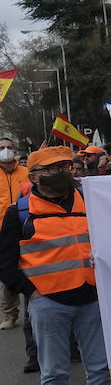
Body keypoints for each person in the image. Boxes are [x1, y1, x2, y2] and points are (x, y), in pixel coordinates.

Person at [0, 146, 111, 385]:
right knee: (54, 372)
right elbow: (6, 263)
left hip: (91, 298)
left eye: (65, 165)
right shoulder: (19, 212)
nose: (61, 172)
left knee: (100, 368)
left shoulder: (90, 201)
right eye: (50, 169)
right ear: (33, 176)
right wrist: (32, 292)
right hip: (48, 303)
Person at [0, 136, 29, 337]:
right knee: (7, 271)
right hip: (2, 230)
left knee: (28, 267)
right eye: (1, 147)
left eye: (9, 147)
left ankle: (32, 308)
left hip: (24, 227)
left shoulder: (26, 173)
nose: (6, 151)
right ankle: (10, 314)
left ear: (15, 150)